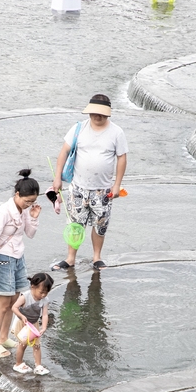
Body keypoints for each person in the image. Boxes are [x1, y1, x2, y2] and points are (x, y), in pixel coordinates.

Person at [51, 94, 128, 271]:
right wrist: (57, 177)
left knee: (100, 226)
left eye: (101, 113)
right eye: (94, 113)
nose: (97, 116)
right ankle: (70, 258)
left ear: (108, 114)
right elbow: (63, 152)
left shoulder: (117, 132)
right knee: (75, 225)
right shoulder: (78, 129)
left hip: (103, 190)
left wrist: (117, 185)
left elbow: (122, 158)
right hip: (78, 188)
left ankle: (96, 258)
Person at [0, 169, 41, 358]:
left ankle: (3, 338)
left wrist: (33, 216)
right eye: (27, 201)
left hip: (18, 258)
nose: (29, 204)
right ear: (17, 194)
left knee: (14, 301)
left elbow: (30, 235)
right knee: (3, 304)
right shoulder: (4, 212)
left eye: (32, 201)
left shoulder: (23, 210)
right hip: (3, 260)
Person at [11, 272, 53, 375]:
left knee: (37, 345)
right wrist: (21, 316)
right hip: (23, 324)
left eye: (46, 292)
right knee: (22, 344)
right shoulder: (25, 296)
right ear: (33, 286)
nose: (43, 295)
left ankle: (38, 366)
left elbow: (44, 314)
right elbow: (14, 307)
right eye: (41, 292)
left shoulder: (44, 300)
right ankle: (18, 364)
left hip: (34, 325)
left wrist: (43, 327)